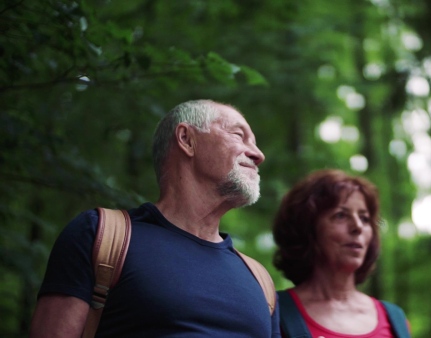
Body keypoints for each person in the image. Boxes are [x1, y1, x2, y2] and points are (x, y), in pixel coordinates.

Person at [30, 99, 280, 337]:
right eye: (238, 135)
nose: (258, 154)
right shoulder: (101, 237)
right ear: (186, 139)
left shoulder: (260, 281)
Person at [272, 169, 411, 338]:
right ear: (307, 228)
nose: (358, 227)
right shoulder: (274, 315)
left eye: (365, 218)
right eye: (341, 215)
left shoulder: (395, 319)